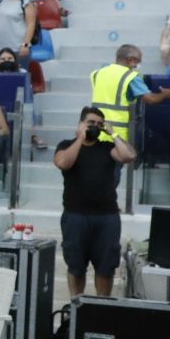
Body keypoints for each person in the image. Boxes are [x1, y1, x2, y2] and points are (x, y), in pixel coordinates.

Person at [55, 105, 136, 297]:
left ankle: (102, 308)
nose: (95, 126)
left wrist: (112, 133)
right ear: (81, 123)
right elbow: (63, 163)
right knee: (76, 267)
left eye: (99, 124)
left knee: (106, 268)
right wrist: (81, 138)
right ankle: (76, 307)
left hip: (106, 217)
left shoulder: (108, 148)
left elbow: (128, 156)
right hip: (75, 216)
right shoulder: (66, 145)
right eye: (91, 122)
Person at [89, 44, 170, 146]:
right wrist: (165, 94)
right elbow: (151, 99)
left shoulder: (98, 72)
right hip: (115, 133)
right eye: (138, 62)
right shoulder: (130, 76)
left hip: (95, 128)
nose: (138, 65)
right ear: (130, 60)